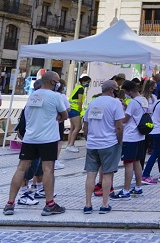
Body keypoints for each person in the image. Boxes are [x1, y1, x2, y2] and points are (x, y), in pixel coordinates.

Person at [4, 71, 68, 216]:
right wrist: (54, 118)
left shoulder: (33, 95)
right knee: (48, 169)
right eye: (57, 81)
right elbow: (64, 115)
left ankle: (10, 203)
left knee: (21, 168)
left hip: (30, 137)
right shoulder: (56, 96)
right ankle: (50, 204)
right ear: (52, 82)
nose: (58, 83)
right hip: (48, 138)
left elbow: (27, 115)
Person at [82, 80, 125, 214]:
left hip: (93, 143)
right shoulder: (115, 103)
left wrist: (89, 139)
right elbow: (119, 125)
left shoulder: (93, 102)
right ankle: (104, 204)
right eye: (117, 88)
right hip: (109, 143)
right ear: (112, 90)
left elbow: (85, 125)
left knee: (91, 174)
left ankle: (88, 204)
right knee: (107, 174)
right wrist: (119, 141)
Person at [112, 81, 146, 200]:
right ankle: (138, 187)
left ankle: (125, 191)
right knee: (137, 162)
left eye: (125, 92)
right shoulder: (143, 100)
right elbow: (137, 113)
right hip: (141, 136)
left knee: (128, 164)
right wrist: (126, 106)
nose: (125, 94)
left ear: (129, 91)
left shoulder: (132, 102)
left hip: (130, 136)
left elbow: (125, 120)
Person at [64, 74, 90, 153]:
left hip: (71, 109)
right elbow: (79, 100)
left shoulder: (77, 87)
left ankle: (69, 144)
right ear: (83, 81)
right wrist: (80, 109)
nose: (88, 84)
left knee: (72, 128)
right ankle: (71, 145)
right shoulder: (81, 89)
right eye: (88, 82)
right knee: (78, 127)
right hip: (75, 110)